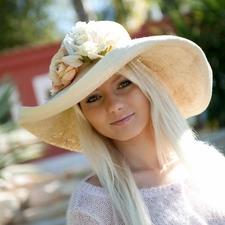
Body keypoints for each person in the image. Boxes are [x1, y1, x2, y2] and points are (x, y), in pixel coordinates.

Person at [17, 20, 225, 225]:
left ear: (147, 86)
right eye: (93, 98)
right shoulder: (90, 207)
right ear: (84, 116)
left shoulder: (209, 161)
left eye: (124, 83)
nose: (114, 105)